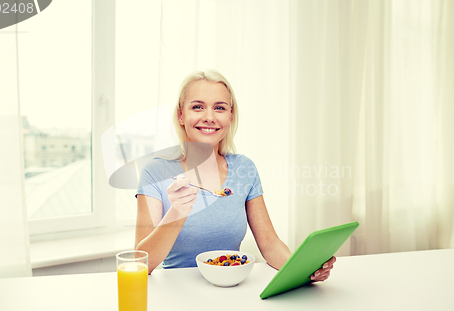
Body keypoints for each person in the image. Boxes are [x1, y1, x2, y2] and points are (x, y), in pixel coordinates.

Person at [134, 70, 335, 281]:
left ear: (230, 116)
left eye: (219, 108)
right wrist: (177, 212)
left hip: (232, 291)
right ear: (180, 115)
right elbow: (141, 263)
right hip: (176, 296)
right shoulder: (155, 173)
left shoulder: (244, 169)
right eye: (197, 107)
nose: (209, 117)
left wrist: (304, 270)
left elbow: (270, 245)